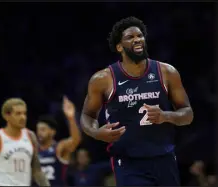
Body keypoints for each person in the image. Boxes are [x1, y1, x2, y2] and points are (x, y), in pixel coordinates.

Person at [80, 16, 194, 186]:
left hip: (164, 157)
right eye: (130, 37)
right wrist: (96, 133)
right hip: (128, 161)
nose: (137, 39)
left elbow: (188, 114)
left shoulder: (167, 72)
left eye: (140, 35)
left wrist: (166, 116)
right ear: (119, 47)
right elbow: (87, 115)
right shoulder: (103, 79)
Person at [0, 98, 50, 186]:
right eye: (18, 114)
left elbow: (36, 170)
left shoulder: (31, 136)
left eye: (24, 113)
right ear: (6, 116)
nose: (23, 117)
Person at [36, 96, 81, 186]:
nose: (39, 133)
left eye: (43, 129)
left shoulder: (59, 147)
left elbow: (75, 140)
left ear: (52, 132)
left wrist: (71, 118)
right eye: (38, 130)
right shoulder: (34, 149)